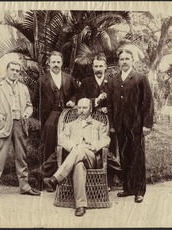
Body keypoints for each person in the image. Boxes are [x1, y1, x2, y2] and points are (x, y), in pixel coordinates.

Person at [0, 60, 41, 200]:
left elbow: (29, 105)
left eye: (17, 71)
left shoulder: (23, 88)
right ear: (7, 71)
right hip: (4, 124)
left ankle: (24, 187)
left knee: (22, 156)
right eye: (12, 70)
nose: (15, 73)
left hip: (20, 124)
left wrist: (27, 112)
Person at [43, 98, 110, 217]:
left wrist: (93, 146)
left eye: (84, 108)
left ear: (90, 109)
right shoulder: (69, 125)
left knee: (80, 150)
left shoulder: (99, 125)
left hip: (91, 158)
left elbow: (106, 140)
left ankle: (56, 178)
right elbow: (62, 140)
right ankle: (80, 205)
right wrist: (74, 147)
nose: (81, 111)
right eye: (79, 108)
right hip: (75, 158)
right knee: (79, 165)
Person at [107, 49, 154, 203]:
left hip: (136, 126)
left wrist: (146, 125)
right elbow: (110, 105)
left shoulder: (140, 79)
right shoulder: (114, 81)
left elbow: (147, 103)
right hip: (120, 126)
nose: (124, 62)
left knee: (137, 158)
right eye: (122, 59)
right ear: (118, 62)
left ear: (133, 61)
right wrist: (112, 124)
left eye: (127, 59)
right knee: (124, 156)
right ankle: (128, 188)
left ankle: (139, 190)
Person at [32, 51, 80, 189]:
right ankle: (47, 182)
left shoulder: (69, 78)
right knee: (49, 146)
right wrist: (44, 111)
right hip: (50, 117)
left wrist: (72, 101)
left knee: (66, 146)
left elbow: (77, 93)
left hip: (67, 116)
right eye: (53, 62)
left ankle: (59, 178)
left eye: (58, 62)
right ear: (49, 63)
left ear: (62, 63)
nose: (56, 65)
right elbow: (35, 100)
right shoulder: (42, 80)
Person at [80, 53, 121, 189]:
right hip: (91, 120)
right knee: (92, 147)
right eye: (96, 66)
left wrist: (107, 110)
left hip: (108, 120)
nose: (98, 69)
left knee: (110, 148)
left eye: (101, 66)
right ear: (92, 67)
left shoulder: (113, 81)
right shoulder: (86, 82)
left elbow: (116, 101)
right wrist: (96, 101)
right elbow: (82, 100)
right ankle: (93, 179)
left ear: (105, 67)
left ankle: (108, 181)